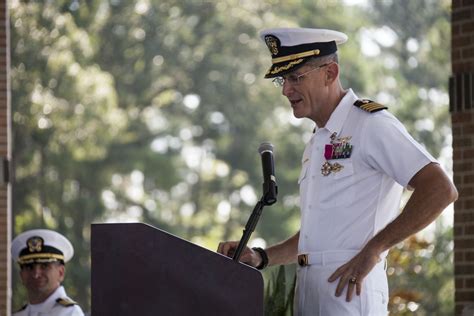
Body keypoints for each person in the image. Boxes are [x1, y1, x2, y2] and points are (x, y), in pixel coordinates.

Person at [217, 27, 458, 315]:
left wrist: (374, 249)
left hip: (351, 291)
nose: (285, 90)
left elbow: (441, 188)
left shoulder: (370, 124)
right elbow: (316, 237)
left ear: (330, 73)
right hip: (309, 291)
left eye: (295, 77)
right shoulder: (318, 139)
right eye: (283, 79)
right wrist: (261, 256)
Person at [11, 229, 84, 316]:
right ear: (21, 275)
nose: (36, 274)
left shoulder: (70, 313)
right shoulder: (19, 314)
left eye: (44, 266)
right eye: (29, 267)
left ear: (61, 272)